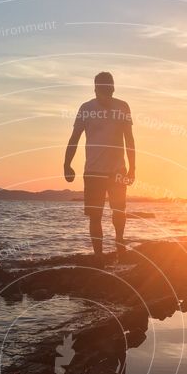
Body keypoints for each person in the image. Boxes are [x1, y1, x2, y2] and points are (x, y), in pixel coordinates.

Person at [64, 71, 135, 267]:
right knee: (95, 215)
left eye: (110, 89)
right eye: (103, 89)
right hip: (93, 171)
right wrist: (67, 164)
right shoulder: (86, 109)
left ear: (113, 89)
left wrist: (133, 168)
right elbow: (74, 138)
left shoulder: (122, 106)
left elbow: (129, 138)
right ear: (96, 89)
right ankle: (98, 256)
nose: (107, 93)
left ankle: (120, 245)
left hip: (118, 170)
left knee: (119, 211)